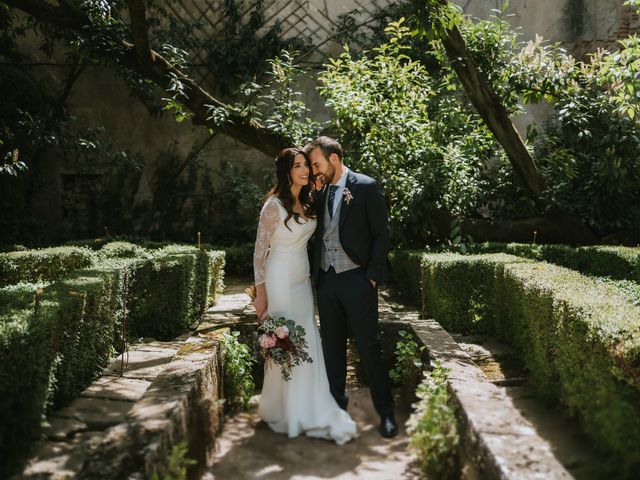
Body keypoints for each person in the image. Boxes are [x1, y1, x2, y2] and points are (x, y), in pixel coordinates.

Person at [252, 147, 357, 445]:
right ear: (286, 171)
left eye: (306, 166)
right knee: (286, 340)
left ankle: (309, 404)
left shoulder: (310, 199)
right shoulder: (273, 206)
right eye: (297, 166)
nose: (304, 171)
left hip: (302, 279)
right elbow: (259, 254)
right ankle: (284, 409)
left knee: (307, 335)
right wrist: (261, 296)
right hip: (279, 278)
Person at [306, 136, 398, 438]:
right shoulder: (319, 191)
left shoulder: (366, 187)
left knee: (369, 348)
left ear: (334, 159)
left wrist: (371, 276)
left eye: (317, 164)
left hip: (358, 280)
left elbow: (382, 234)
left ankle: (386, 413)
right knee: (332, 351)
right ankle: (337, 414)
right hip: (327, 281)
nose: (314, 171)